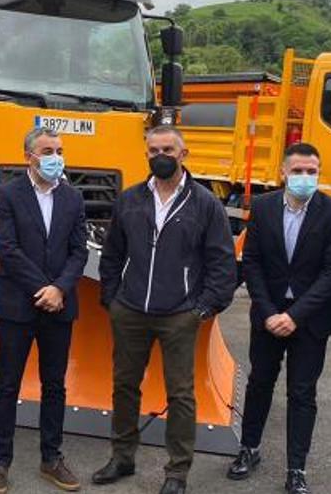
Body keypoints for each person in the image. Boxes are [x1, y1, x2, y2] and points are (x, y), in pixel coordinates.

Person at [93, 125, 236, 494]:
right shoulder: (129, 199)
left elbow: (222, 262)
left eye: (168, 149)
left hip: (179, 314)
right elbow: (112, 254)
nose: (161, 155)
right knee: (124, 385)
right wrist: (112, 298)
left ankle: (177, 471)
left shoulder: (205, 203)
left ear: (183, 154)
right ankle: (122, 456)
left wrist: (203, 308)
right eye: (154, 149)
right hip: (131, 310)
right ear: (146, 153)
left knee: (181, 394)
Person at [230, 142, 331, 494]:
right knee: (259, 384)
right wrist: (269, 313)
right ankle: (248, 449)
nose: (304, 177)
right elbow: (251, 261)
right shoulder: (265, 207)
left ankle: (296, 468)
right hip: (267, 317)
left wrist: (294, 316)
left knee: (302, 393)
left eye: (311, 171)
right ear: (283, 172)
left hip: (310, 320)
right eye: (297, 171)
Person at [0, 128, 88, 494]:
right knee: (7, 383)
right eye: (47, 150)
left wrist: (59, 288)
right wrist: (41, 287)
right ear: (29, 155)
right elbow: (6, 248)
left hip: (59, 307)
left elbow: (79, 251)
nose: (55, 157)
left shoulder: (74, 197)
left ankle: (51, 458)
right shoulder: (9, 193)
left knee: (55, 385)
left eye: (59, 150)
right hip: (16, 305)